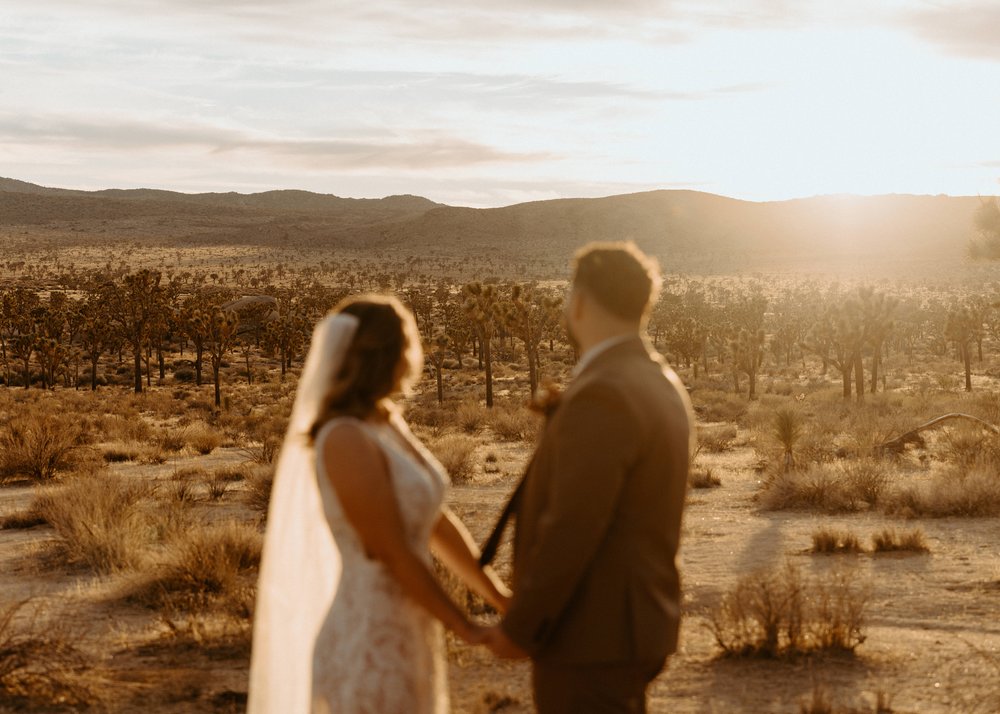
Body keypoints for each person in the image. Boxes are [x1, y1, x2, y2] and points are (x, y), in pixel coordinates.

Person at [248, 295, 510, 714]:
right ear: (386, 355)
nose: (414, 357)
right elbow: (389, 550)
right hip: (368, 629)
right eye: (408, 345)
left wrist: (497, 595)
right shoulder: (344, 437)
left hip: (409, 622)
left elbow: (434, 523)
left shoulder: (386, 421)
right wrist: (467, 628)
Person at [481, 241, 695, 713]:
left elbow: (574, 523)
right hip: (629, 624)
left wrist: (523, 626)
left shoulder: (605, 392)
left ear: (578, 303)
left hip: (592, 632)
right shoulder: (658, 380)